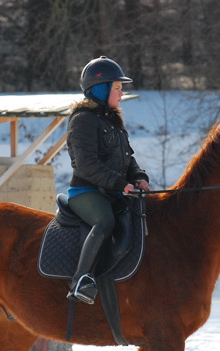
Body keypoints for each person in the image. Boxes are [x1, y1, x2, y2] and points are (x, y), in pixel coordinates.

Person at [64, 56, 151, 304]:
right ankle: (81, 280)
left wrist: (139, 177)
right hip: (86, 192)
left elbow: (127, 159)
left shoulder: (112, 121)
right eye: (117, 88)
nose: (121, 94)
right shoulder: (82, 120)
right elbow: (86, 164)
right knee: (105, 220)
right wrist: (120, 184)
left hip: (113, 191)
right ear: (101, 89)